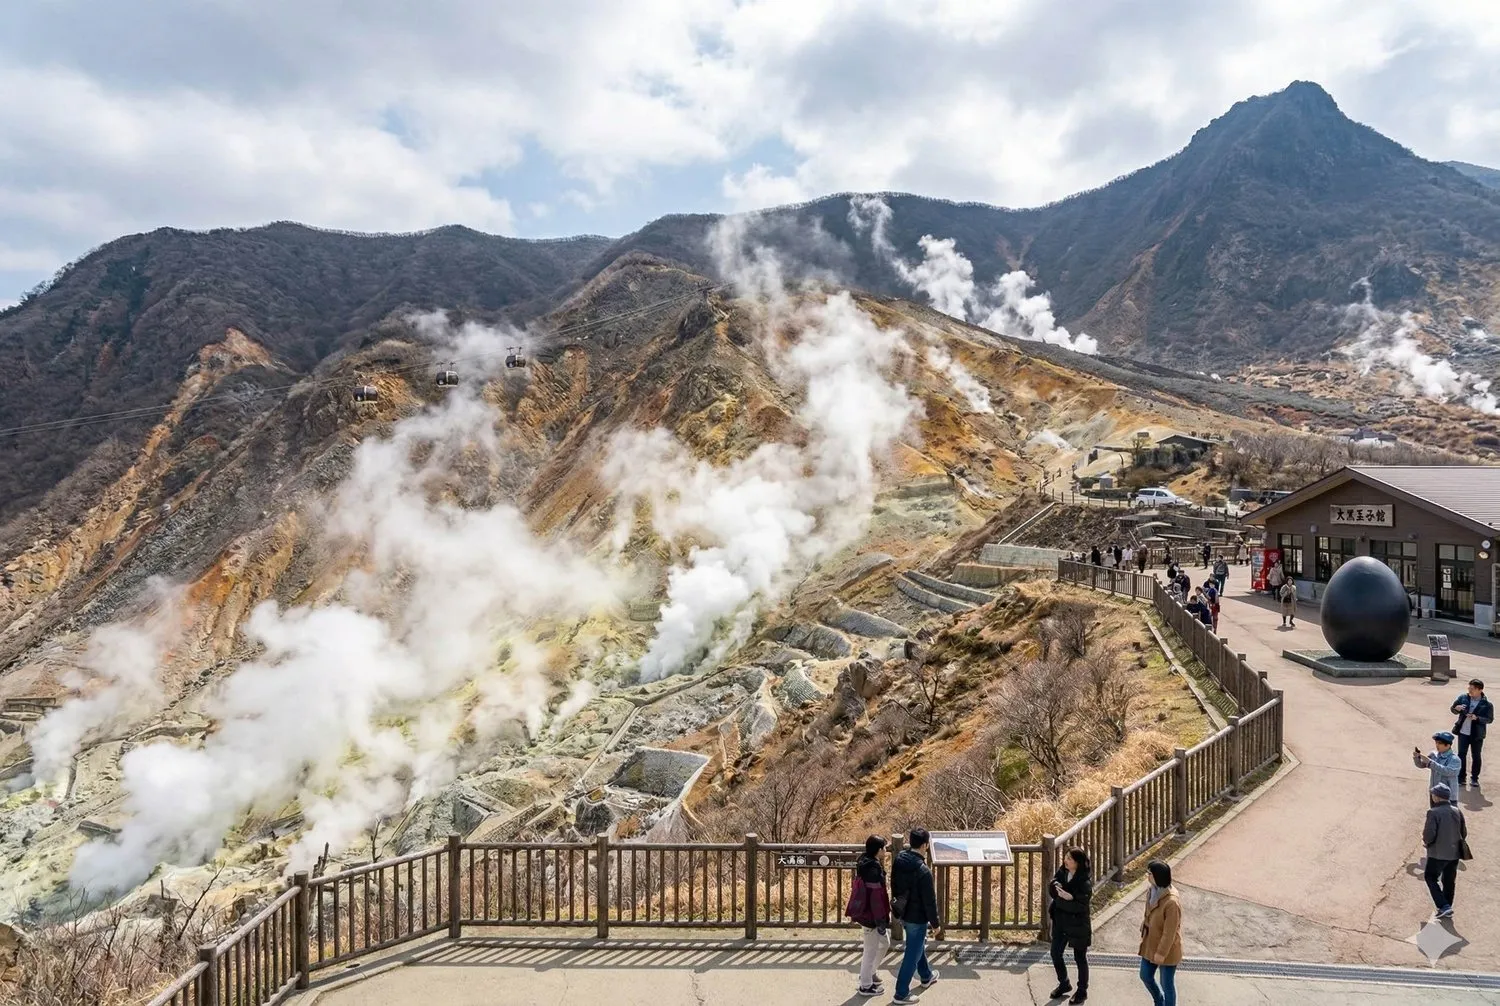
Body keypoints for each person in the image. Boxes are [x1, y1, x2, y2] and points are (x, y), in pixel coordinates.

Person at [890, 828, 941, 1004]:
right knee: (912, 953)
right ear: (925, 845)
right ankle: (901, 993)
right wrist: (936, 924)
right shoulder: (923, 870)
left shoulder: (899, 860)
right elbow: (929, 902)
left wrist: (897, 906)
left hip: (903, 912)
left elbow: (894, 883)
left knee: (917, 946)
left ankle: (926, 976)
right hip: (917, 917)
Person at [848, 835, 892, 997]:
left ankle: (869, 973)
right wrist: (880, 920)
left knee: (884, 943)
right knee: (870, 950)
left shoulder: (865, 861)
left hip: (866, 912)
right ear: (879, 850)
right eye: (885, 848)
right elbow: (876, 899)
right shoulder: (872, 869)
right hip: (870, 916)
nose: (886, 851)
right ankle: (865, 985)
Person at [1048, 848, 1093, 1004]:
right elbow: (1052, 888)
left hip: (1078, 924)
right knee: (1055, 953)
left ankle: (1082, 990)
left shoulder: (1084, 882)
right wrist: (1055, 888)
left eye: (1070, 859)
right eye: (1066, 857)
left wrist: (1069, 898)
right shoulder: (1062, 872)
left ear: (1078, 863)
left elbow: (1080, 906)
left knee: (1080, 957)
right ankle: (1064, 983)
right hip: (1060, 921)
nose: (1066, 861)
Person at [1138, 860, 1182, 1006]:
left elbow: (1170, 933)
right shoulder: (1152, 890)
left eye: (1149, 873)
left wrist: (1161, 953)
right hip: (1150, 943)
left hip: (1167, 950)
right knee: (1145, 975)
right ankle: (1159, 1000)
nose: (1147, 876)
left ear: (1157, 876)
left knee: (1167, 984)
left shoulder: (1171, 902)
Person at [1421, 783, 1467, 919]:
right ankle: (1447, 906)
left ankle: (1443, 906)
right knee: (1449, 880)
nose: (1432, 796)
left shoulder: (1433, 812)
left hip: (1437, 853)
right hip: (1454, 853)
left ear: (1438, 797)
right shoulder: (1457, 810)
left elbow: (1429, 834)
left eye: (1433, 794)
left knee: (1430, 877)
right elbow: (1464, 832)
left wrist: (1427, 843)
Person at [1451, 679, 1494, 790]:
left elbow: (1489, 719)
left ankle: (1474, 778)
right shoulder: (1463, 698)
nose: (1470, 690)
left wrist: (1477, 718)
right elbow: (1453, 709)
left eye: (1472, 688)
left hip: (1477, 734)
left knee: (1476, 756)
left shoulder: (1487, 705)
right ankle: (1461, 777)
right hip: (1463, 732)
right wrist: (1456, 708)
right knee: (1461, 755)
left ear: (1480, 690)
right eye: (1469, 688)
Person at [1415, 732, 1462, 805]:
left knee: (1448, 816)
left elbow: (1447, 771)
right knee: (1433, 814)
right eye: (1436, 743)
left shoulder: (1455, 759)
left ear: (1448, 745)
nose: (1437, 745)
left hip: (1448, 797)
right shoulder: (1434, 755)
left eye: (1440, 743)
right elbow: (1421, 765)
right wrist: (1417, 757)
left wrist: (1431, 763)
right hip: (1434, 794)